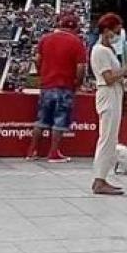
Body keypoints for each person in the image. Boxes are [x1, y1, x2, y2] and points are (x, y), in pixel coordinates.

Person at [28, 12, 88, 163]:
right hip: (65, 85)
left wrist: (43, 73)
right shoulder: (77, 43)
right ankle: (53, 152)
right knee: (60, 120)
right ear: (74, 28)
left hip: (47, 85)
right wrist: (78, 84)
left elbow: (37, 59)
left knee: (41, 119)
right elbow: (80, 68)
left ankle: (32, 151)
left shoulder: (45, 39)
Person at [90, 12, 127, 195]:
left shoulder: (107, 50)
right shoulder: (100, 51)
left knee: (111, 138)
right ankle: (99, 179)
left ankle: (102, 177)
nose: (118, 34)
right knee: (107, 138)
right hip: (107, 94)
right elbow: (108, 78)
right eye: (116, 30)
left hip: (114, 93)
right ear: (107, 30)